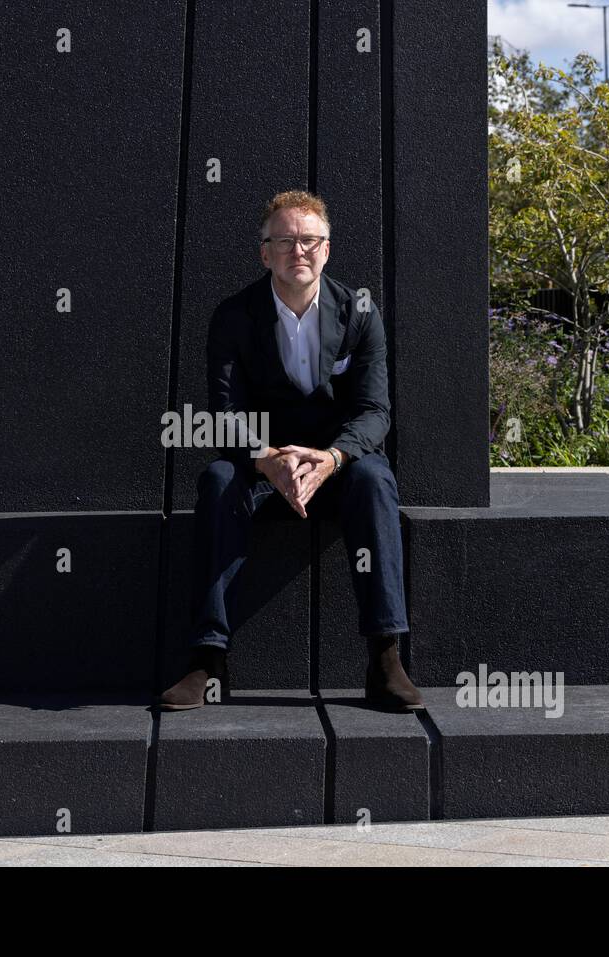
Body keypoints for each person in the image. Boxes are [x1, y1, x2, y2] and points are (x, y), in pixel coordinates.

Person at [158, 190, 423, 713]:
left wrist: (329, 459)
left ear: (327, 250)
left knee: (375, 480)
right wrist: (268, 459)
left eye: (308, 241)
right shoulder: (234, 316)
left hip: (337, 467)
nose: (296, 251)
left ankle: (386, 657)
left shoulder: (359, 313)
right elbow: (224, 412)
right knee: (216, 481)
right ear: (264, 253)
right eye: (284, 241)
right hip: (262, 467)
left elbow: (375, 412)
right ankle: (207, 659)